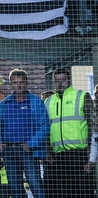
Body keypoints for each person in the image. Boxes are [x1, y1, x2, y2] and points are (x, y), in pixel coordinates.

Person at [0, 69, 48, 198]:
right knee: (15, 188)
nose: (19, 85)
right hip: (9, 150)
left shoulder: (36, 102)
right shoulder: (5, 103)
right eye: (15, 82)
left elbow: (44, 126)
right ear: (11, 84)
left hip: (28, 150)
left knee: (35, 186)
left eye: (21, 82)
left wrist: (31, 144)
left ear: (27, 83)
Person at [43, 67, 92, 198]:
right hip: (56, 156)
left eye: (63, 80)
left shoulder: (82, 96)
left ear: (69, 80)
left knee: (81, 192)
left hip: (79, 155)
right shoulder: (48, 101)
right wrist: (47, 151)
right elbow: (45, 129)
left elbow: (92, 125)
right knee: (57, 192)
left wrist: (91, 152)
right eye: (56, 81)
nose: (59, 84)